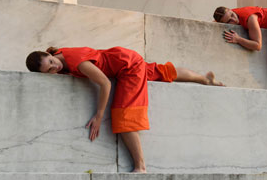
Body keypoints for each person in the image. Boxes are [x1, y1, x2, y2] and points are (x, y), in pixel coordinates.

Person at [25, 46, 223, 173]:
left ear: (49, 54)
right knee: (162, 72)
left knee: (123, 119)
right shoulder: (61, 55)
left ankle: (141, 167)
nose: (55, 68)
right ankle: (205, 79)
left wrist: (99, 115)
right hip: (125, 57)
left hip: (127, 67)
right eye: (49, 70)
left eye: (51, 62)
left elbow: (105, 84)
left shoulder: (78, 62)